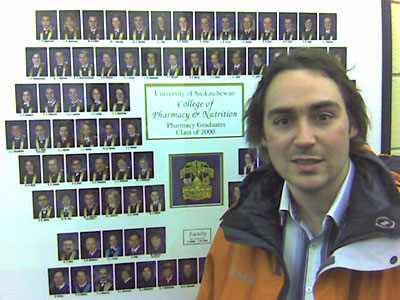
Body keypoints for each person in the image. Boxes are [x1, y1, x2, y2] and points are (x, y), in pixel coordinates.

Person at [198, 49, 400, 299]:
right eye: (284, 121)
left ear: (353, 124)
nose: (305, 139)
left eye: (323, 117)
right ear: (263, 135)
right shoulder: (235, 233)